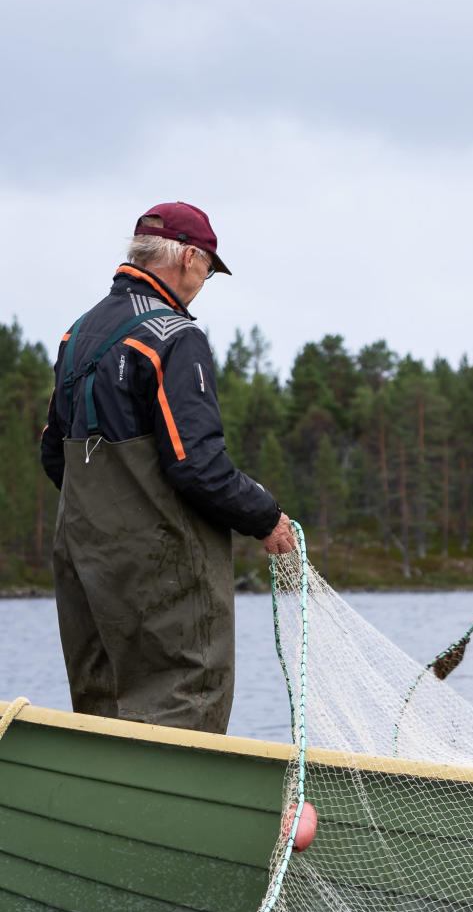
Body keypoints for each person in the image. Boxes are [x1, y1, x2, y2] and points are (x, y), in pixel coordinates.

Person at [40, 202, 297, 733]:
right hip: (162, 574)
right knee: (183, 706)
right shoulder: (176, 336)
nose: (204, 281)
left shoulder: (77, 333)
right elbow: (196, 466)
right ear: (186, 257)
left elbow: (52, 453)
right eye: (207, 267)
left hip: (84, 564)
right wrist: (266, 516)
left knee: (101, 712)